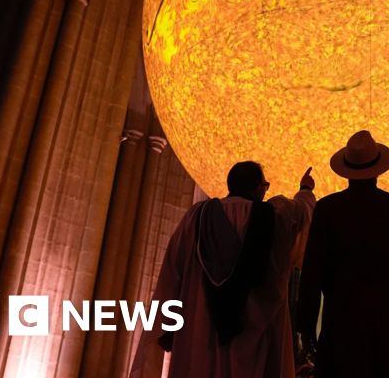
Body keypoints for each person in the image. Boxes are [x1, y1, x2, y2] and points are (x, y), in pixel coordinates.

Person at [129, 162, 316, 378]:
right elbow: (303, 215)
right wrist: (305, 190)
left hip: (201, 334)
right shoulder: (275, 217)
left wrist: (166, 324)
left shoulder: (197, 218)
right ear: (258, 188)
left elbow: (172, 274)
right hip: (257, 346)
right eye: (265, 185)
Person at [297, 130, 389, 378]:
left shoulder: (327, 210)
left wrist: (305, 325)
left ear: (347, 170)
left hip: (341, 324)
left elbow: (312, 271)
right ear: (378, 170)